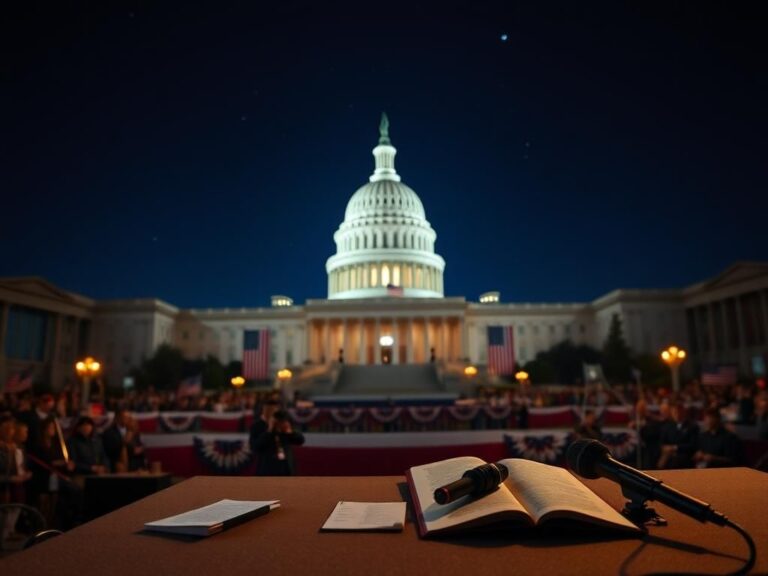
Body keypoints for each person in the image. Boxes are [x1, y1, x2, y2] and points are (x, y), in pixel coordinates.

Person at [251, 409, 304, 476]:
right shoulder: (264, 431)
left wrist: (290, 432)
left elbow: (301, 441)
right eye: (277, 421)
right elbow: (256, 446)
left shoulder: (287, 432)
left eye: (281, 421)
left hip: (286, 469)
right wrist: (269, 430)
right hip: (268, 469)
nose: (279, 424)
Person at [657, 404, 698, 469]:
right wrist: (665, 449)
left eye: (679, 412)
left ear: (683, 412)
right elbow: (662, 443)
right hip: (669, 459)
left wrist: (674, 447)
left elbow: (693, 445)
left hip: (685, 459)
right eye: (674, 412)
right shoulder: (667, 427)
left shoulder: (692, 427)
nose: (677, 414)